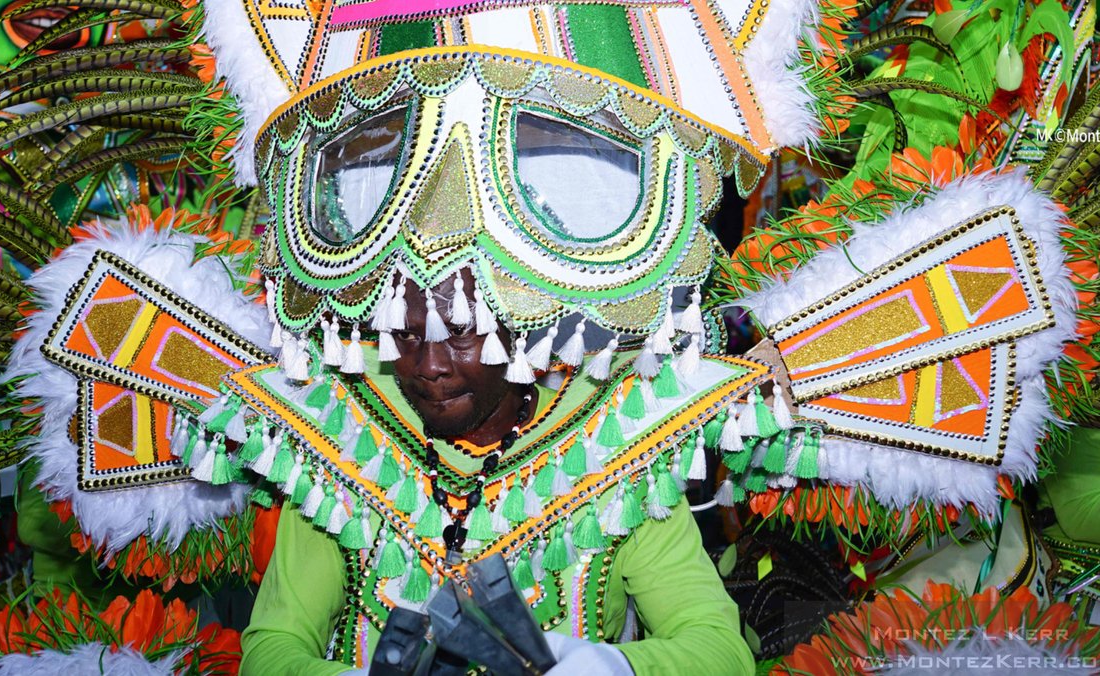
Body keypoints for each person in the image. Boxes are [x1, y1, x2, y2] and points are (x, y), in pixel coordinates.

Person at [239, 272, 758, 674]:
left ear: (520, 325)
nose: (429, 365)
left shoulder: (615, 444)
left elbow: (717, 649)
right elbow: (272, 647)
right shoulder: (343, 434)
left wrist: (603, 667)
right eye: (405, 333)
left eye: (460, 332)